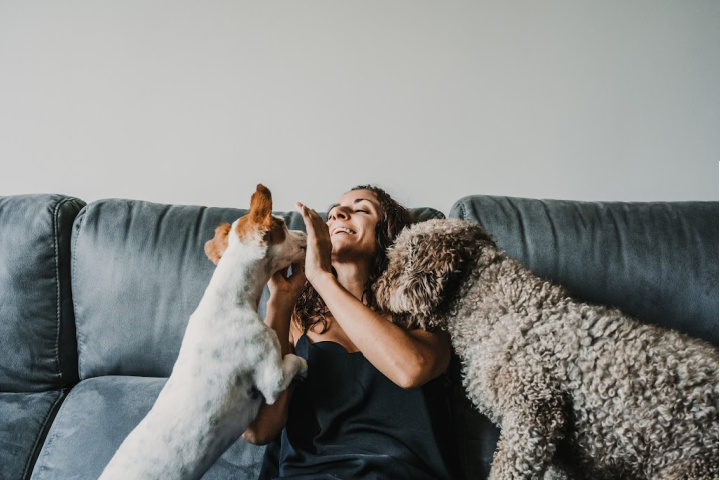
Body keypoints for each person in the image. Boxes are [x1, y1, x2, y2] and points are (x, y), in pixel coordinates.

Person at [243, 185, 458, 480]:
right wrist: (279, 305)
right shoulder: (297, 321)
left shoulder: (423, 308)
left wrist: (321, 277)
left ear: (390, 233)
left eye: (360, 209)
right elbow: (259, 430)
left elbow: (411, 370)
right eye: (333, 213)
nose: (337, 213)